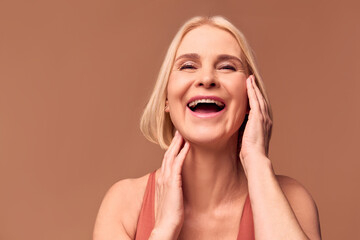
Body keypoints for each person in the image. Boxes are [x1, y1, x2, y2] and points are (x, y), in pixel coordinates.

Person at [93, 16, 322, 240]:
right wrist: (164, 229)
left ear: (249, 98)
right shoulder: (123, 204)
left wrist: (258, 164)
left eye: (227, 67)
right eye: (188, 66)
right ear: (166, 99)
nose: (206, 78)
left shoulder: (292, 200)